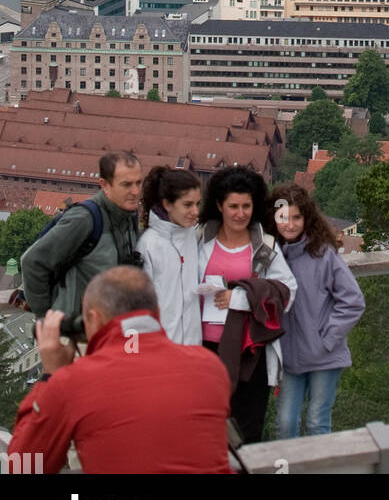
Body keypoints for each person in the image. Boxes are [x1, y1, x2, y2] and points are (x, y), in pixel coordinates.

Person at [8, 266, 232, 474]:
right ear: (157, 313)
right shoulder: (209, 367)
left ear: (94, 319)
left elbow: (23, 467)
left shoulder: (73, 383)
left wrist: (50, 377)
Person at [198, 166, 297, 444]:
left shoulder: (265, 246)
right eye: (233, 206)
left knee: (247, 431)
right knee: (207, 426)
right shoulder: (198, 240)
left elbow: (287, 291)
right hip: (204, 348)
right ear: (219, 205)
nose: (240, 213)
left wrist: (240, 299)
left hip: (249, 352)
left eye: (246, 206)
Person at [265, 183, 365, 439]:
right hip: (288, 358)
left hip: (324, 356)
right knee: (286, 424)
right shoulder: (268, 257)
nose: (290, 224)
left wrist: (328, 338)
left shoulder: (323, 254)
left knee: (317, 422)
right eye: (283, 217)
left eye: (296, 217)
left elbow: (353, 301)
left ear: (306, 218)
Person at [20, 150, 143, 330]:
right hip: (75, 336)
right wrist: (46, 317)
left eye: (138, 183)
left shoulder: (128, 217)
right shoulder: (84, 219)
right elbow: (32, 261)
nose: (135, 191)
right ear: (105, 185)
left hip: (111, 331)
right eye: (126, 185)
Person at [136, 165, 202, 345]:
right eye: (187, 204)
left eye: (197, 204)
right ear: (167, 204)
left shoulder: (192, 236)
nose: (195, 211)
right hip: (159, 351)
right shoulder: (148, 245)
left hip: (192, 349)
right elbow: (139, 308)